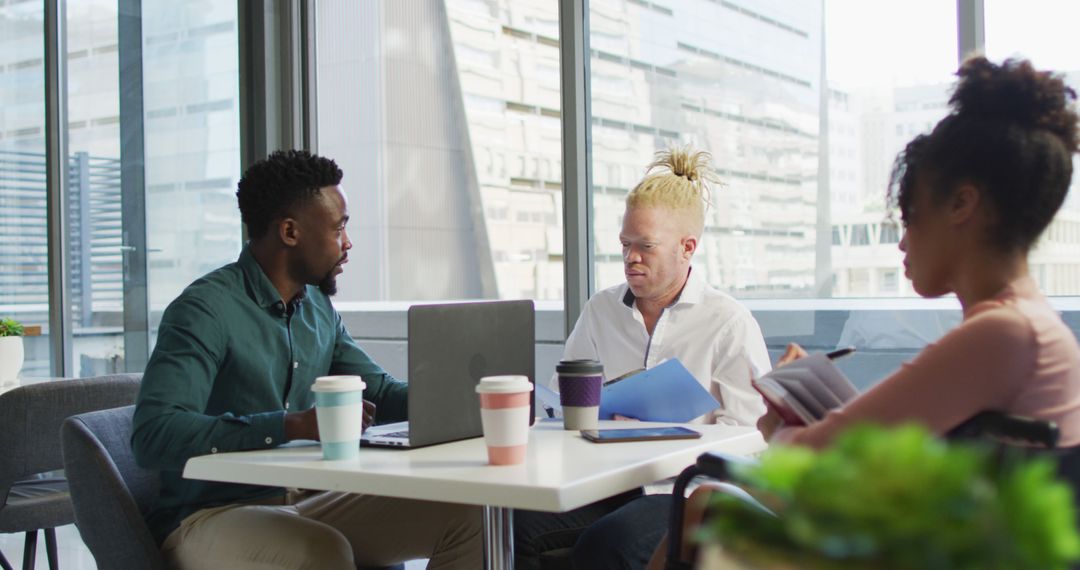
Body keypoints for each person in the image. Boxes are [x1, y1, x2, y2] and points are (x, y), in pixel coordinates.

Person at [131, 150, 481, 569]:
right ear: (290, 232)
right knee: (319, 552)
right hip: (209, 517)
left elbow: (383, 393)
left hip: (304, 500)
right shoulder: (205, 310)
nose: (348, 243)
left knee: (469, 512)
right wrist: (290, 425)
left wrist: (468, 403)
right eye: (339, 228)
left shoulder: (317, 308)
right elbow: (154, 434)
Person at [758, 56, 1080, 449]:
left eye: (910, 216)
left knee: (709, 493)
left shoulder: (1003, 332)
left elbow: (822, 456)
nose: (903, 242)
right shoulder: (1029, 324)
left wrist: (780, 427)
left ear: (961, 204)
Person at [515, 146, 771, 569]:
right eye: (625, 244)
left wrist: (657, 439)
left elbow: (749, 439)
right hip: (602, 482)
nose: (631, 257)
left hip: (682, 491)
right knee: (516, 522)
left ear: (687, 248)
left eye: (646, 246)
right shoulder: (601, 311)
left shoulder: (728, 323)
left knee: (612, 542)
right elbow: (562, 409)